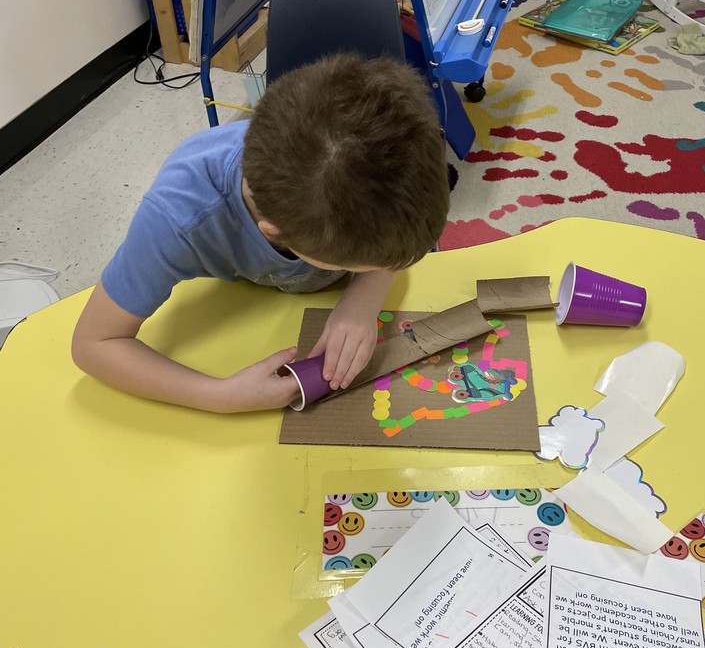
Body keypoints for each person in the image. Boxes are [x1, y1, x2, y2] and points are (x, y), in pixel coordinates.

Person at [72, 53, 450, 413]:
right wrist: (219, 395)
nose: (378, 265)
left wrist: (363, 300)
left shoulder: (360, 170)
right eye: (359, 263)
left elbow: (386, 251)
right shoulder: (177, 217)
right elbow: (94, 344)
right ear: (275, 234)